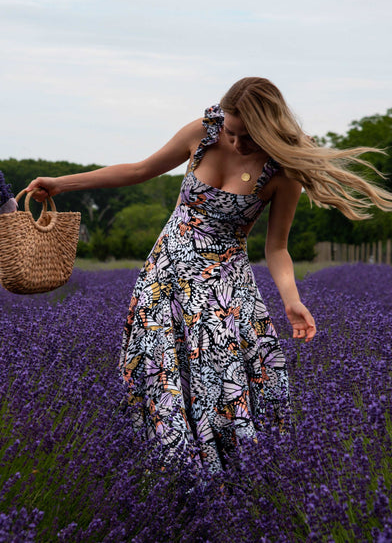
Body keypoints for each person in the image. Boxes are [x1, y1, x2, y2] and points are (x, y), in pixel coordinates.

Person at [26, 77, 392, 473]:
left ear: (269, 129)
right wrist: (60, 184)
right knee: (160, 378)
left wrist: (292, 299)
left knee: (217, 387)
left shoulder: (283, 175)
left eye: (247, 137)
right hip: (162, 283)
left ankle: (227, 483)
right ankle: (168, 477)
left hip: (221, 298)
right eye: (231, 132)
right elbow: (140, 169)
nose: (235, 143)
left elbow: (277, 248)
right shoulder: (204, 133)